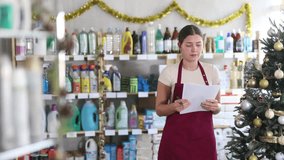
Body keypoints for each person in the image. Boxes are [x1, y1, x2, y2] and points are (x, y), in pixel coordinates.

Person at [156, 25, 221, 160]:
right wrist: (174, 106)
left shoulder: (212, 71)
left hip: (204, 140)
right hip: (176, 141)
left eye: (198, 45)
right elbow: (159, 109)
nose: (194, 49)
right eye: (189, 45)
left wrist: (217, 107)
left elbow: (217, 106)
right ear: (180, 45)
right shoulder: (169, 72)